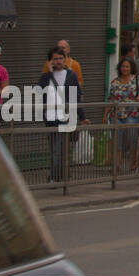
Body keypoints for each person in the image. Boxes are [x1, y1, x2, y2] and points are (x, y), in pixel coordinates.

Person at [37, 48, 86, 182]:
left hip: (65, 117)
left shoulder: (71, 75)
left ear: (65, 60)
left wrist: (82, 117)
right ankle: (62, 175)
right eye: (55, 59)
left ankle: (54, 177)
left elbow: (76, 96)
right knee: (55, 148)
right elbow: (39, 91)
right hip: (50, 117)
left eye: (60, 58)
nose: (58, 61)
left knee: (59, 149)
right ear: (50, 61)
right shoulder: (46, 76)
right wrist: (49, 72)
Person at [106, 57, 139, 172]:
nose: (125, 69)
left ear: (131, 68)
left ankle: (133, 163)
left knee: (132, 140)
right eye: (123, 66)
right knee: (117, 141)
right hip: (116, 115)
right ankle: (116, 165)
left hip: (132, 114)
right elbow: (110, 98)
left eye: (127, 66)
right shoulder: (115, 82)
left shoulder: (138, 79)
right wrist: (105, 114)